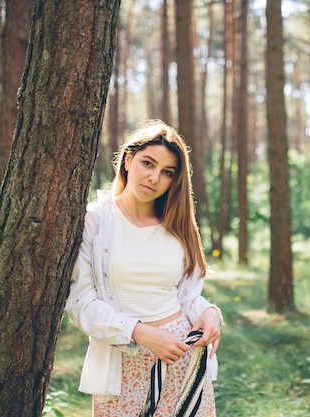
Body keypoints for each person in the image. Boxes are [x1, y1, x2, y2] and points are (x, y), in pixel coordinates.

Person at [66, 119, 223, 417]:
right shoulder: (95, 220)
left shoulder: (178, 225)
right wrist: (141, 333)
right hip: (123, 364)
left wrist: (210, 312)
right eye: (147, 163)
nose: (154, 178)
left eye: (167, 172)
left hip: (181, 358)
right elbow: (80, 304)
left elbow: (187, 296)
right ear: (127, 159)